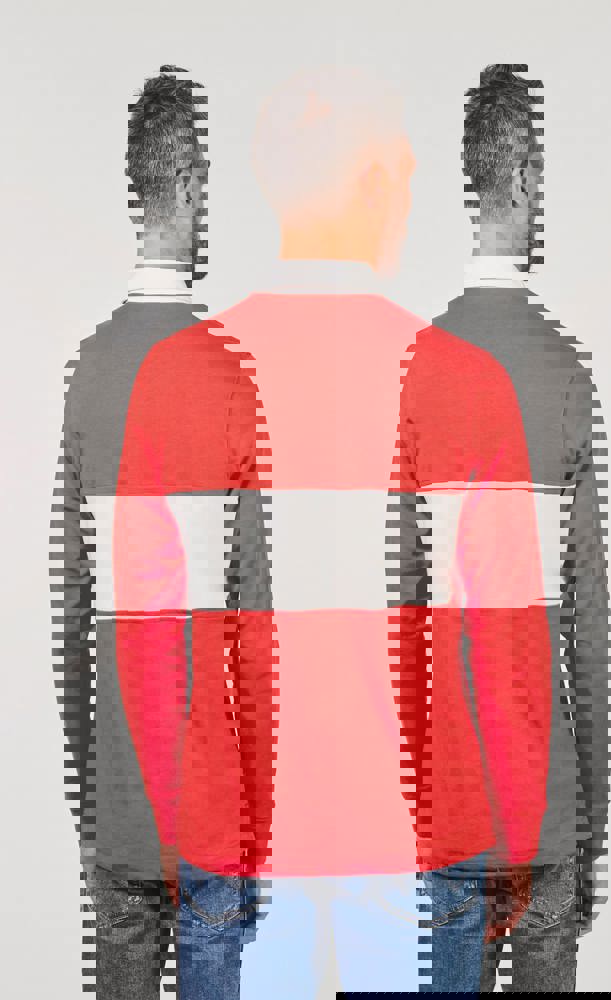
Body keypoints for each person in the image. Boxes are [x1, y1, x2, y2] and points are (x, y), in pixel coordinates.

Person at [113, 66, 550, 997]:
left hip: (243, 843)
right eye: (404, 170)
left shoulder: (176, 377)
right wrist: (514, 829)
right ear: (377, 183)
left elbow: (149, 639)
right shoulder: (466, 379)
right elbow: (505, 636)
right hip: (425, 842)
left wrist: (192, 833)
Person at [51, 64, 269, 999]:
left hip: (120, 801)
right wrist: (262, 818)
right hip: (213, 804)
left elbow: (70, 615)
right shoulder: (228, 375)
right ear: (187, 185)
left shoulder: (91, 371)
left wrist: (90, 797)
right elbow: (254, 629)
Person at [430, 63, 611, 992]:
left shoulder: (419, 369)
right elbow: (589, 630)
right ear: (528, 179)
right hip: (545, 801)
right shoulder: (564, 371)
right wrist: (593, 824)